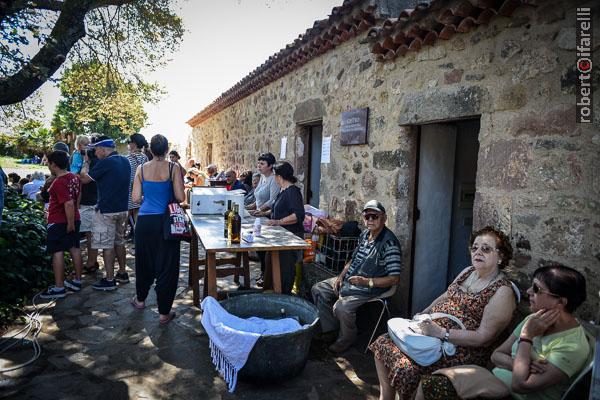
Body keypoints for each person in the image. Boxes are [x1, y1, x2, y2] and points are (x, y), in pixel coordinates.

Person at [370, 226, 517, 400]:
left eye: (486, 249)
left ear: (500, 257)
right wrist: (423, 313)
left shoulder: (503, 291)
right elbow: (446, 295)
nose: (478, 252)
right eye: (475, 247)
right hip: (431, 335)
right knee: (383, 341)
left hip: (459, 349)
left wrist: (441, 333)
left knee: (407, 368)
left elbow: (483, 337)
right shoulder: (468, 272)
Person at [416, 265, 590, 400]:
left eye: (537, 289)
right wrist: (521, 365)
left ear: (560, 302)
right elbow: (496, 355)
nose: (529, 292)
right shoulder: (534, 319)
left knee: (433, 387)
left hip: (512, 396)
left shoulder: (572, 346)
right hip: (492, 383)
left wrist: (526, 337)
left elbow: (520, 385)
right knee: (429, 385)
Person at [311, 200, 403, 354]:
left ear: (384, 218)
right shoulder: (365, 234)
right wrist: (340, 276)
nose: (371, 220)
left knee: (342, 307)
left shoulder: (389, 243)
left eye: (375, 216)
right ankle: (331, 330)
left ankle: (346, 338)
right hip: (351, 280)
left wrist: (367, 281)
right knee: (318, 289)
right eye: (367, 217)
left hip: (370, 286)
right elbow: (352, 260)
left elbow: (394, 279)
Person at [131, 134, 185, 324]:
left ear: (151, 150)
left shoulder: (141, 169)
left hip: (144, 222)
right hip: (165, 223)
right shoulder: (173, 167)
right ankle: (164, 313)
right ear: (167, 150)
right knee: (167, 266)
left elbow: (136, 198)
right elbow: (180, 197)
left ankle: (140, 300)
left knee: (144, 263)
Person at [80, 136, 131, 291]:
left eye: (96, 149)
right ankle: (122, 273)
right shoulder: (125, 161)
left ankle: (109, 279)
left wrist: (86, 162)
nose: (94, 152)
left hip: (106, 211)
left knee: (106, 245)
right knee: (119, 242)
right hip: (122, 209)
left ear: (103, 150)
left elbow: (84, 180)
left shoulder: (105, 163)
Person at [40, 151, 84, 299]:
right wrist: (74, 218)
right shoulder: (74, 177)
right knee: (75, 248)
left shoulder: (58, 182)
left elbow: (69, 203)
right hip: (73, 218)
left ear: (54, 164)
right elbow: (77, 197)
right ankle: (78, 281)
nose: (47, 165)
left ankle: (59, 287)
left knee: (57, 252)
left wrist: (70, 223)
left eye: (49, 162)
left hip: (60, 221)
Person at [263, 161, 305, 295]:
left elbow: (298, 215)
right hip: (280, 237)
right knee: (273, 264)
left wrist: (278, 222)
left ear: (279, 176)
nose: (274, 178)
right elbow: (280, 209)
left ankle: (283, 296)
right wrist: (264, 214)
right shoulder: (284, 191)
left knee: (285, 270)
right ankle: (273, 291)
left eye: (275, 175)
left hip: (290, 239)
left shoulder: (293, 192)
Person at [246, 152, 280, 286]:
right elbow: (258, 196)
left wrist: (261, 210)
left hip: (267, 216)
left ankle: (266, 275)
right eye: (258, 163)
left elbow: (273, 200)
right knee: (259, 247)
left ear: (270, 166)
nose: (259, 166)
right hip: (259, 216)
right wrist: (250, 207)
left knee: (264, 248)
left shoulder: (273, 179)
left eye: (262, 164)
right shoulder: (262, 177)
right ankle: (263, 272)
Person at [78, 135, 99, 273]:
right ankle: (92, 261)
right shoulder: (96, 161)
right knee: (90, 233)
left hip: (89, 203)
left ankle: (91, 263)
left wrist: (86, 162)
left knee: (90, 234)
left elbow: (84, 178)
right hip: (90, 202)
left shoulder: (94, 162)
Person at [126, 133, 149, 233]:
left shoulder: (127, 158)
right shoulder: (145, 158)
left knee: (125, 216)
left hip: (129, 190)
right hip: (142, 191)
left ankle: (120, 240)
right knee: (137, 216)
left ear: (134, 143)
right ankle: (138, 237)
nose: (128, 144)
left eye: (129, 142)